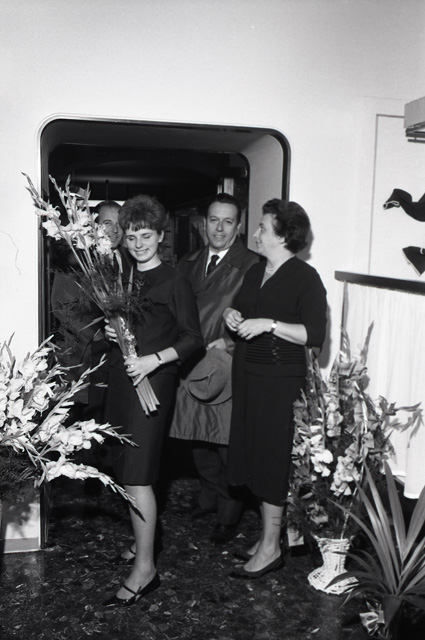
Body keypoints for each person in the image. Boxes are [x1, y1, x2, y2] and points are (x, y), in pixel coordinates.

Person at [102, 195, 203, 607]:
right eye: (131, 237)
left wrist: (152, 360)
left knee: (139, 475)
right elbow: (129, 329)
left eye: (146, 235)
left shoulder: (174, 280)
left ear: (161, 235)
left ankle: (146, 570)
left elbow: (193, 338)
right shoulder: (124, 278)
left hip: (154, 381)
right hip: (124, 381)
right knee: (126, 468)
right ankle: (141, 543)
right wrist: (113, 334)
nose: (139, 243)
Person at [224, 199, 327, 578]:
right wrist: (230, 314)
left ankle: (270, 549)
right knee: (254, 455)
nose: (255, 233)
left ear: (283, 237)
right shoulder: (257, 271)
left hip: (280, 382)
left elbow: (313, 334)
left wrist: (269, 324)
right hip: (249, 376)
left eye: (263, 228)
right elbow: (239, 308)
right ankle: (270, 537)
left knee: (271, 461)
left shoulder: (305, 277)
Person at [169, 193, 259, 544]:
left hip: (226, 366)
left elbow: (260, 317)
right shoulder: (188, 262)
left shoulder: (252, 265)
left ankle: (228, 513)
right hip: (192, 363)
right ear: (202, 223)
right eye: (213, 220)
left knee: (225, 443)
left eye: (228, 221)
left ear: (239, 226)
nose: (219, 228)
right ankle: (208, 496)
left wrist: (230, 344)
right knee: (197, 437)